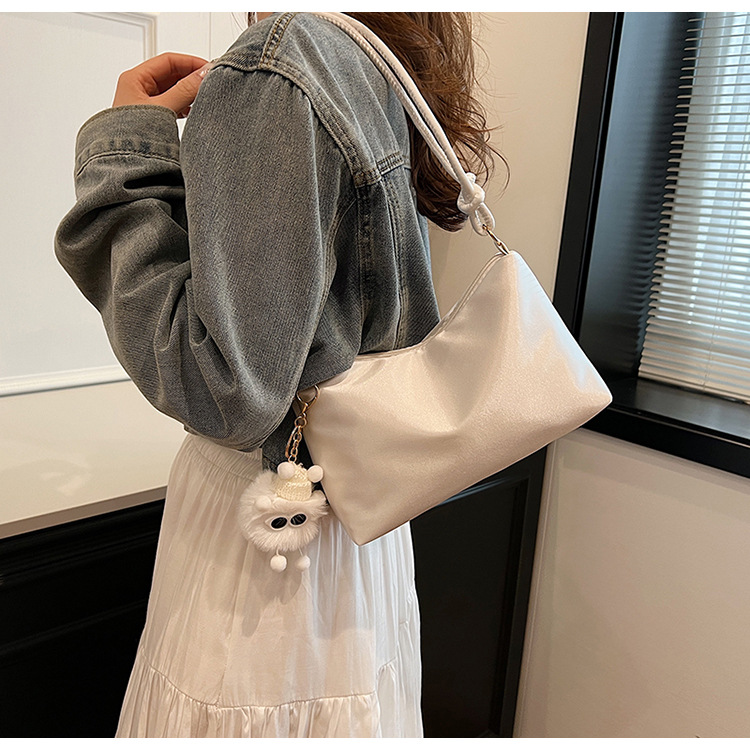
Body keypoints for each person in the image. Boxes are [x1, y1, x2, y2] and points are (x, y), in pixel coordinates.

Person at [55, 11, 496, 738]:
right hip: (352, 521)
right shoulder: (362, 53)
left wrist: (124, 147)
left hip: (271, 538)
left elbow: (224, 387)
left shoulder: (281, 63)